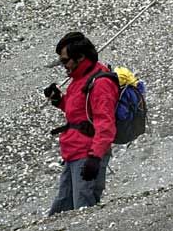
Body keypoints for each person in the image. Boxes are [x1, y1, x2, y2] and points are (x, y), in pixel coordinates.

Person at [44, 32, 118, 215]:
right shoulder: (79, 79)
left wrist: (95, 158)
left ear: (80, 57)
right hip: (72, 153)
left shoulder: (101, 84)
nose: (63, 66)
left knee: (83, 211)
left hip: (87, 155)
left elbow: (105, 124)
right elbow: (78, 113)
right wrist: (58, 100)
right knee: (61, 211)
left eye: (65, 61)